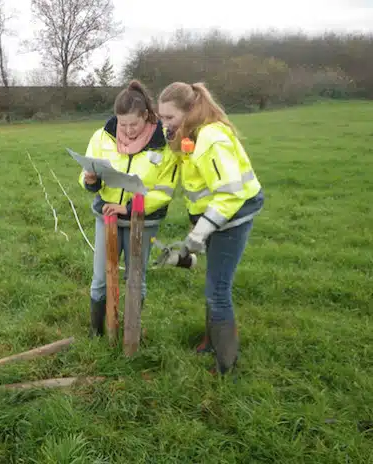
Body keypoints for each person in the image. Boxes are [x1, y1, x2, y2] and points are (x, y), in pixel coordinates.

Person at [157, 82, 265, 374]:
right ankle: (210, 343)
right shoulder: (189, 134)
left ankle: (225, 364)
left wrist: (200, 233)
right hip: (214, 216)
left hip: (234, 216)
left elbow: (230, 193)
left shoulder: (211, 139)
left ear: (189, 110)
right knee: (212, 285)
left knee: (218, 289)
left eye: (169, 118)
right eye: (161, 117)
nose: (164, 124)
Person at [79, 80, 179, 337]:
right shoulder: (102, 136)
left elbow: (165, 190)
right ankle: (97, 332)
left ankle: (131, 331)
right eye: (122, 124)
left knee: (136, 279)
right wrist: (90, 179)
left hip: (142, 222)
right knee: (100, 278)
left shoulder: (163, 143)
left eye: (133, 124)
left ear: (146, 116)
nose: (128, 130)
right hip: (107, 217)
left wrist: (129, 206)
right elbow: (87, 173)